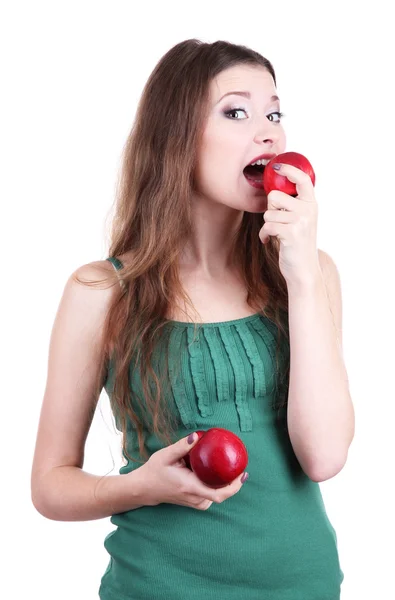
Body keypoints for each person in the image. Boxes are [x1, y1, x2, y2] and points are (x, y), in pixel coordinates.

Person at [31, 38, 355, 599]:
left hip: (305, 587)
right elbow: (50, 485)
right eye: (237, 111)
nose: (269, 132)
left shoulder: (312, 274)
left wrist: (301, 277)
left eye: (274, 112)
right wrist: (141, 486)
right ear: (177, 136)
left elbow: (324, 456)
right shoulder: (100, 292)